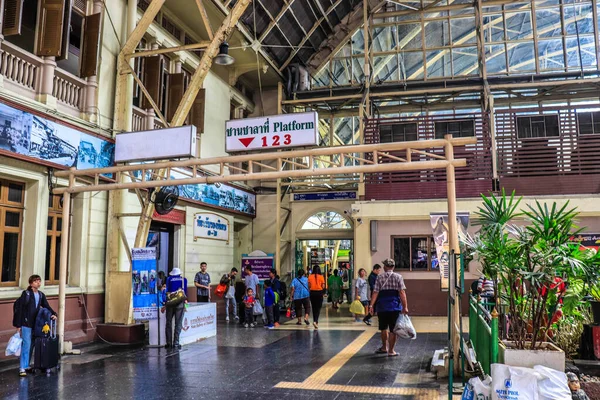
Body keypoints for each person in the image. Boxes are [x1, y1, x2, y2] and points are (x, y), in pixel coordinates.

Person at [13, 275, 56, 377]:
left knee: (31, 344)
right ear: (31, 283)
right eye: (36, 281)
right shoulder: (26, 294)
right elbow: (20, 310)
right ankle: (22, 368)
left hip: (36, 324)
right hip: (26, 323)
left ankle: (27, 365)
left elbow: (46, 306)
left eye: (39, 281)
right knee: (26, 344)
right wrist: (18, 325)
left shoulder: (41, 295)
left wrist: (54, 314)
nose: (38, 283)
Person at [368, 259, 408, 357]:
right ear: (393, 267)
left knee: (383, 328)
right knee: (393, 329)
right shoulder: (398, 277)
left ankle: (384, 347)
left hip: (382, 306)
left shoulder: (379, 277)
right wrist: (405, 307)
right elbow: (402, 293)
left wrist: (371, 305)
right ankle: (391, 351)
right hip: (394, 307)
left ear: (385, 267)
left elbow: (375, 292)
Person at [165, 267, 188, 350]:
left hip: (170, 303)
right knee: (178, 324)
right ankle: (176, 343)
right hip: (180, 304)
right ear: (179, 273)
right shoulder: (183, 280)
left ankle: (168, 343)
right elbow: (185, 292)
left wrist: (165, 303)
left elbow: (166, 291)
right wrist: (186, 305)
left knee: (168, 322)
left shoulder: (168, 279)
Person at [308, 265, 325, 329]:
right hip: (319, 293)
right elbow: (323, 286)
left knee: (314, 307)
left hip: (312, 293)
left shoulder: (310, 277)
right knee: (318, 308)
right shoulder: (321, 277)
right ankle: (315, 321)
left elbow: (309, 286)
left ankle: (315, 321)